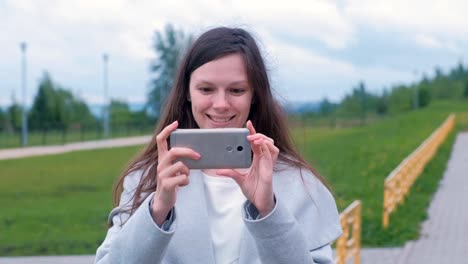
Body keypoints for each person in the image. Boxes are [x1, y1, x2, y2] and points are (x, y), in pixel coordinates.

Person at [95, 26, 342, 264]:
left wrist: (268, 210)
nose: (221, 104)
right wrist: (158, 208)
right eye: (206, 89)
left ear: (254, 94)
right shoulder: (148, 177)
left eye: (236, 90)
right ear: (188, 92)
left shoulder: (299, 182)